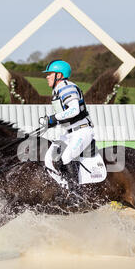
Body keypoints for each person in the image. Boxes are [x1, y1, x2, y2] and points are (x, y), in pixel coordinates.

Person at [42, 60, 94, 189]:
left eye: (50, 74)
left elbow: (74, 110)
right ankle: (62, 187)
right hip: (69, 133)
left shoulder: (66, 87)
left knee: (66, 156)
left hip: (82, 131)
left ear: (59, 75)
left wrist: (54, 118)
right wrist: (52, 122)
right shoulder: (57, 90)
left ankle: (76, 192)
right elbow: (66, 115)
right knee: (49, 158)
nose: (47, 76)